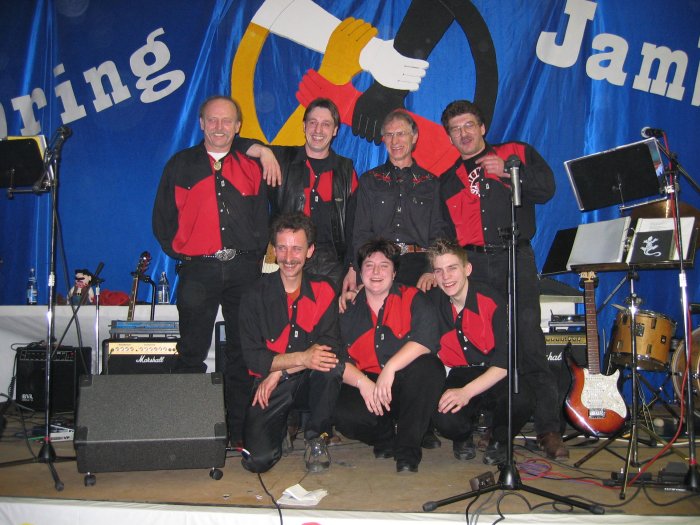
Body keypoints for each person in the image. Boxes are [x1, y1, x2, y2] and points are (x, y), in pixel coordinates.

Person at [438, 99, 566, 459]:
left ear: (482, 128)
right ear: (450, 137)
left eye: (469, 125)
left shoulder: (516, 153)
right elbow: (444, 234)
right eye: (455, 129)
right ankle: (492, 424)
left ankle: (549, 428)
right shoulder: (447, 182)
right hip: (474, 267)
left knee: (528, 340)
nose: (463, 133)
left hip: (515, 258)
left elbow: (548, 188)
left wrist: (511, 174)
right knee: (485, 345)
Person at [152, 95, 275, 448]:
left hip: (244, 271)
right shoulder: (180, 165)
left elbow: (262, 219)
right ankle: (191, 435)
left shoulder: (252, 167)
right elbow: (162, 219)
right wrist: (185, 252)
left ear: (238, 126)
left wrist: (253, 259)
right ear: (201, 123)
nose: (219, 127)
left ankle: (239, 434)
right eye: (213, 120)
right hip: (199, 272)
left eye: (227, 121)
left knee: (243, 353)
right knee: (191, 352)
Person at [239, 212, 343, 473]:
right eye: (282, 248)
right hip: (269, 384)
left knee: (331, 367)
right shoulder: (253, 295)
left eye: (297, 248)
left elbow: (328, 348)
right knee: (257, 461)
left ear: (310, 251)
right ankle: (282, 426)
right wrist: (299, 359)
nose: (288, 257)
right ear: (273, 250)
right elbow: (253, 358)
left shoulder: (325, 289)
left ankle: (317, 438)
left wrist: (280, 371)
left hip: (304, 379)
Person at [334, 239, 444, 473]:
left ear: (394, 273)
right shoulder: (347, 309)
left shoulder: (414, 298)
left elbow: (427, 340)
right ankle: (384, 439)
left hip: (404, 387)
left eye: (384, 266)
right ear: (360, 273)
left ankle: (407, 450)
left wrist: (391, 368)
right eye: (369, 265)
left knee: (429, 368)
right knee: (338, 406)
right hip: (369, 388)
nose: (376, 272)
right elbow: (336, 359)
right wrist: (363, 383)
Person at [427, 239, 534, 465]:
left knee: (521, 398)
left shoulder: (492, 299)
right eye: (439, 271)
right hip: (460, 373)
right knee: (444, 416)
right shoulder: (431, 302)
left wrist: (466, 393)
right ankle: (462, 436)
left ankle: (499, 440)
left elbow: (505, 362)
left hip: (495, 371)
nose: (446, 277)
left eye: (452, 268)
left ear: (467, 269)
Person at [249, 98, 358, 288]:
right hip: (286, 259)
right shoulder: (280, 159)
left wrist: (352, 266)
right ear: (304, 125)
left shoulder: (346, 170)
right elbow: (232, 145)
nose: (318, 130)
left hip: (331, 266)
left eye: (326, 124)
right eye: (312, 122)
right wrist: (263, 151)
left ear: (335, 130)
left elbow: (355, 226)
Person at [342, 109, 448, 294]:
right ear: (383, 139)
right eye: (389, 135)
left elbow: (439, 232)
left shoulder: (431, 183)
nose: (395, 141)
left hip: (420, 267)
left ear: (414, 137)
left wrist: (431, 270)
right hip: (379, 266)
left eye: (401, 134)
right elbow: (360, 233)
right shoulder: (369, 181)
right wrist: (360, 271)